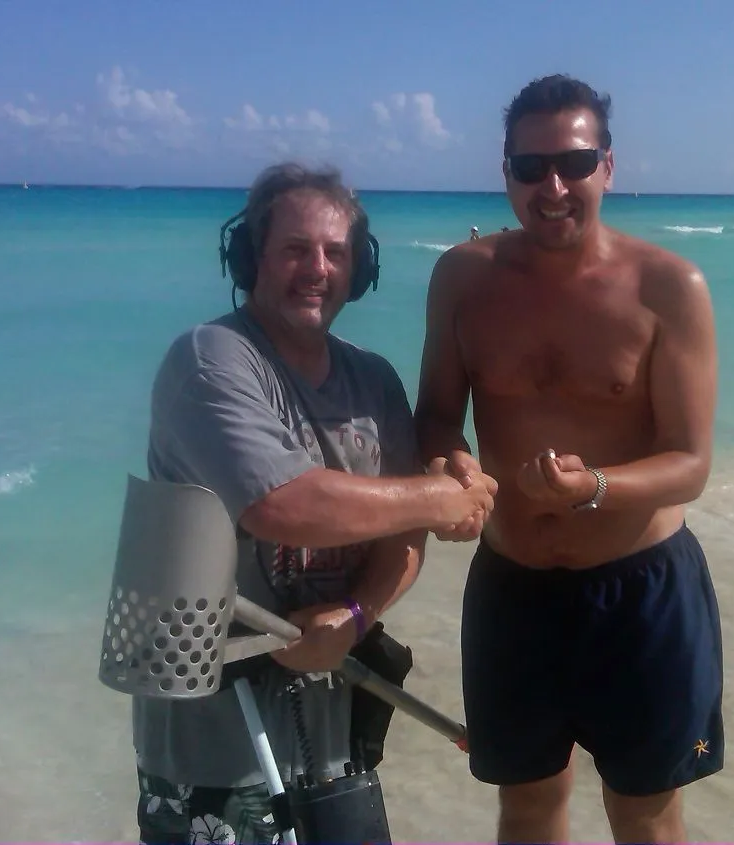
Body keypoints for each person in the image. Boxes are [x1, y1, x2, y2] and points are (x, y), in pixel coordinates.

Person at [133, 162, 498, 844]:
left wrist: (356, 615)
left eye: (335, 253)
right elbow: (283, 504)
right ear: (251, 258)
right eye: (295, 249)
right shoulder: (211, 360)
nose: (317, 268)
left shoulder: (375, 379)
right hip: (212, 733)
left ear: (359, 269)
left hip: (333, 729)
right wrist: (446, 496)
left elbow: (403, 535)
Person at [415, 75, 723, 844]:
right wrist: (451, 468)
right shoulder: (462, 278)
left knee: (646, 815)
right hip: (511, 589)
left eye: (574, 162)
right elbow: (435, 417)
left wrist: (594, 488)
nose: (552, 186)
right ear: (506, 174)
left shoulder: (668, 286)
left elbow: (688, 462)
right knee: (524, 807)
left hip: (640, 593)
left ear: (607, 167)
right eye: (530, 166)